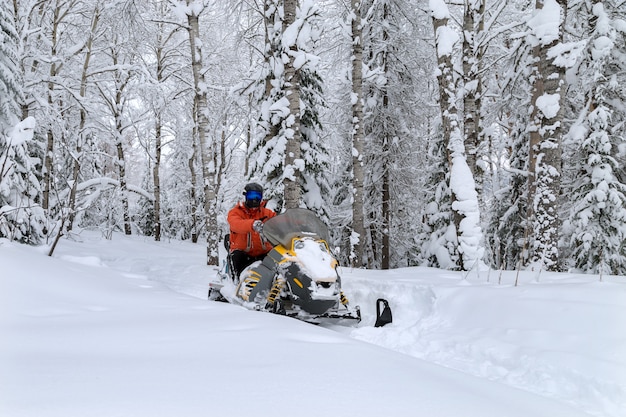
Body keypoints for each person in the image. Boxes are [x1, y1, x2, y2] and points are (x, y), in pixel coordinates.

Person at [226, 182, 276, 281]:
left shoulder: (267, 213)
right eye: (251, 195)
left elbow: (279, 222)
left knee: (280, 260)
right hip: (243, 254)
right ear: (245, 196)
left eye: (257, 196)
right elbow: (235, 224)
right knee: (236, 257)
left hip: (264, 253)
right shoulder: (236, 212)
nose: (254, 199)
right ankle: (237, 284)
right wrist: (252, 225)